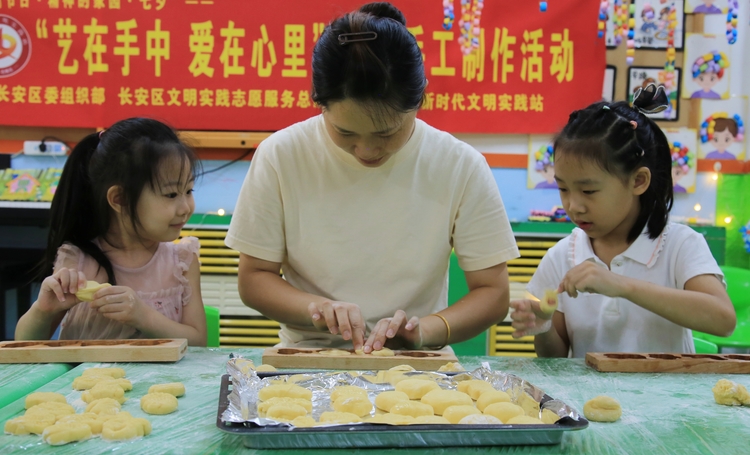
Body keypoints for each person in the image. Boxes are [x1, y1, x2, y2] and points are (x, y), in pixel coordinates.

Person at [226, 2, 518, 353]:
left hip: (416, 364)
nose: (366, 150)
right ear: (318, 102)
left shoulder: (459, 165)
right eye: (345, 132)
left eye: (386, 133)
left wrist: (425, 331)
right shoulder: (281, 155)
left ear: (421, 96)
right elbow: (255, 278)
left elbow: (493, 292)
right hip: (311, 356)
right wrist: (316, 310)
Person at [509, 84, 735, 358]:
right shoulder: (562, 257)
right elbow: (555, 358)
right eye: (563, 189)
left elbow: (723, 320)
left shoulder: (679, 245)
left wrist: (621, 285)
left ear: (638, 181)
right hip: (589, 401)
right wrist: (542, 327)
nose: (573, 205)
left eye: (589, 191)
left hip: (666, 400)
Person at [15, 118, 207, 345]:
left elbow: (198, 341)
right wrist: (43, 310)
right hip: (84, 381)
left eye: (188, 191)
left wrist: (142, 316)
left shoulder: (182, 262)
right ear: (120, 199)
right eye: (171, 195)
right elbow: (25, 344)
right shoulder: (78, 261)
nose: (186, 207)